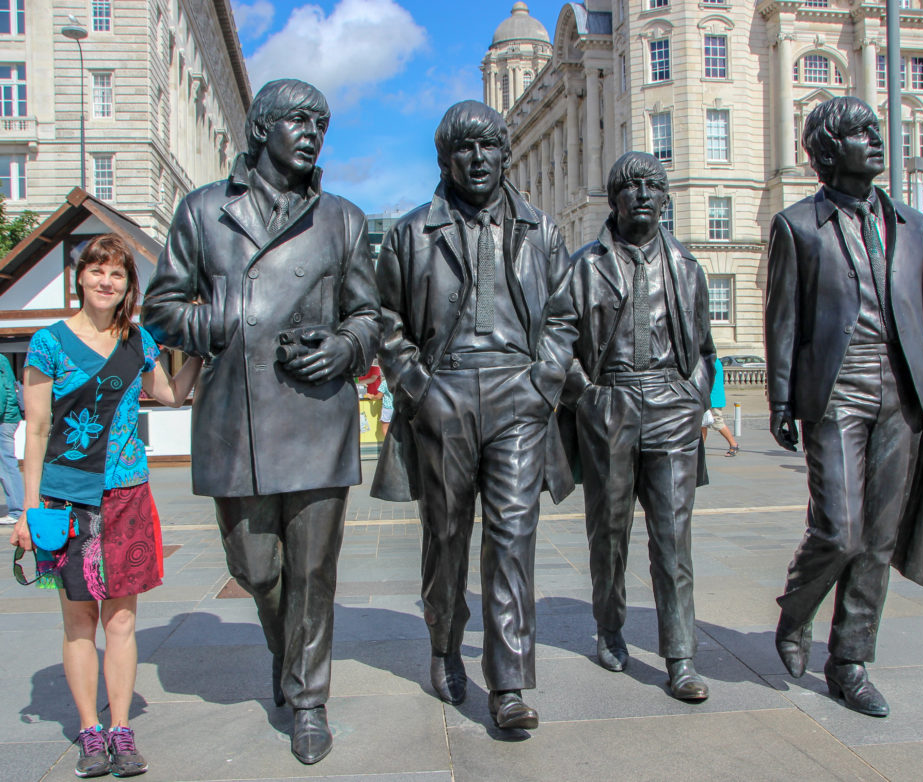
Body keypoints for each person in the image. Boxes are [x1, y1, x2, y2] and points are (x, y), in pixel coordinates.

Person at [141, 79, 381, 764]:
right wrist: (217, 321)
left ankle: (308, 700)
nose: (312, 134)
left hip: (315, 412)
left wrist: (345, 345)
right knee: (255, 567)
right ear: (262, 129)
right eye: (298, 121)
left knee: (313, 571)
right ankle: (289, 657)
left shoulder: (342, 217)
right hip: (235, 418)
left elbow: (370, 313)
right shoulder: (204, 211)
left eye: (322, 125)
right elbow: (161, 307)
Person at [371, 100, 577, 730]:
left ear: (504, 153)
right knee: (447, 536)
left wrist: (543, 381)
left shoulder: (540, 229)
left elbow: (565, 316)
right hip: (447, 391)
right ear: (445, 159)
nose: (478, 159)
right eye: (464, 149)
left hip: (520, 394)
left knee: (514, 537)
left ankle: (509, 683)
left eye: (489, 146)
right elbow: (386, 320)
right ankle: (442, 642)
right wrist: (419, 388)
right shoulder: (411, 233)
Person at [765, 97, 923, 717]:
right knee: (839, 528)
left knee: (877, 539)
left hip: (904, 393)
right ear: (827, 149)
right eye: (858, 132)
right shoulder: (798, 224)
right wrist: (779, 397)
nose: (875, 138)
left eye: (876, 129)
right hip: (837, 388)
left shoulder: (915, 226)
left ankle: (848, 660)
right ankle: (796, 612)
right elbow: (784, 319)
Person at [9, 234, 201, 778]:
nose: (106, 281)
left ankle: (121, 730)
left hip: (128, 495)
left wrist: (207, 356)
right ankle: (89, 732)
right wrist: (27, 510)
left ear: (126, 287)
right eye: (97, 270)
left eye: (117, 274)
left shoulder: (137, 342)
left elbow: (169, 396)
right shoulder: (47, 342)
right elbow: (38, 429)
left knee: (120, 620)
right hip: (67, 498)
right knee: (78, 622)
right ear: (81, 277)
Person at [561, 151, 715, 701]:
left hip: (672, 402)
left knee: (674, 538)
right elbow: (557, 342)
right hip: (611, 401)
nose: (643, 195)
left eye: (653, 186)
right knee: (609, 532)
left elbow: (703, 347)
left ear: (666, 198)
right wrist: (589, 395)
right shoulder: (585, 266)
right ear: (615, 199)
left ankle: (680, 657)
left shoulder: (687, 267)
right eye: (631, 186)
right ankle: (609, 628)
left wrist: (693, 395)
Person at [0, 353, 24, 524]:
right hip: (7, 418)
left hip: (4, 420)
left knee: (6, 465)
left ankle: (17, 510)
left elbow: (1, 392)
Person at [703, 357, 740, 456]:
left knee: (717, 422)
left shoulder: (710, 361)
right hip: (711, 397)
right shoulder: (713, 360)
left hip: (713, 397)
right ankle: (700, 450)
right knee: (703, 424)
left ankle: (733, 444)